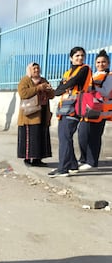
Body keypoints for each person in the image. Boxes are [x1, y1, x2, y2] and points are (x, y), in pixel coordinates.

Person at [48, 46, 92, 177]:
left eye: (82, 56)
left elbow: (74, 81)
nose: (80, 58)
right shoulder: (67, 73)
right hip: (64, 108)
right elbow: (60, 88)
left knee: (65, 137)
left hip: (75, 107)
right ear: (71, 58)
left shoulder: (84, 69)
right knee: (64, 137)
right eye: (77, 56)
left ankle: (63, 168)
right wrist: (60, 90)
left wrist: (61, 89)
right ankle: (72, 165)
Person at [77, 49, 112, 171]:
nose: (100, 64)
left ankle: (92, 163)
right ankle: (83, 159)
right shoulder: (92, 75)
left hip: (100, 112)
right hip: (87, 110)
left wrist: (92, 88)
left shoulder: (109, 76)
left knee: (94, 137)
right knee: (82, 135)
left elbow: (106, 91)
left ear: (108, 63)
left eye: (103, 62)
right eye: (98, 62)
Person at [17, 63, 55, 167]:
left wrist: (49, 90)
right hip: (30, 114)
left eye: (38, 68)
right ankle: (28, 159)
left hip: (42, 112)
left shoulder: (43, 80)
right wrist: (38, 88)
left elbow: (52, 96)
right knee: (30, 137)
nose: (36, 70)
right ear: (29, 70)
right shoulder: (25, 80)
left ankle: (38, 159)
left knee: (41, 136)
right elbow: (23, 93)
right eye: (34, 68)